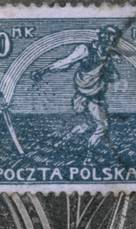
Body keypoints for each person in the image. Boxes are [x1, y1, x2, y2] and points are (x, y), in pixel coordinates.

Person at [31, 26, 122, 154]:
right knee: (102, 126)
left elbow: (113, 76)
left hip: (93, 95)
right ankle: (88, 154)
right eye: (109, 36)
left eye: (114, 38)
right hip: (87, 96)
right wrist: (44, 70)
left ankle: (64, 141)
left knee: (88, 125)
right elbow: (66, 62)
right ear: (102, 36)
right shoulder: (85, 49)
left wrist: (110, 67)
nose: (111, 40)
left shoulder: (108, 55)